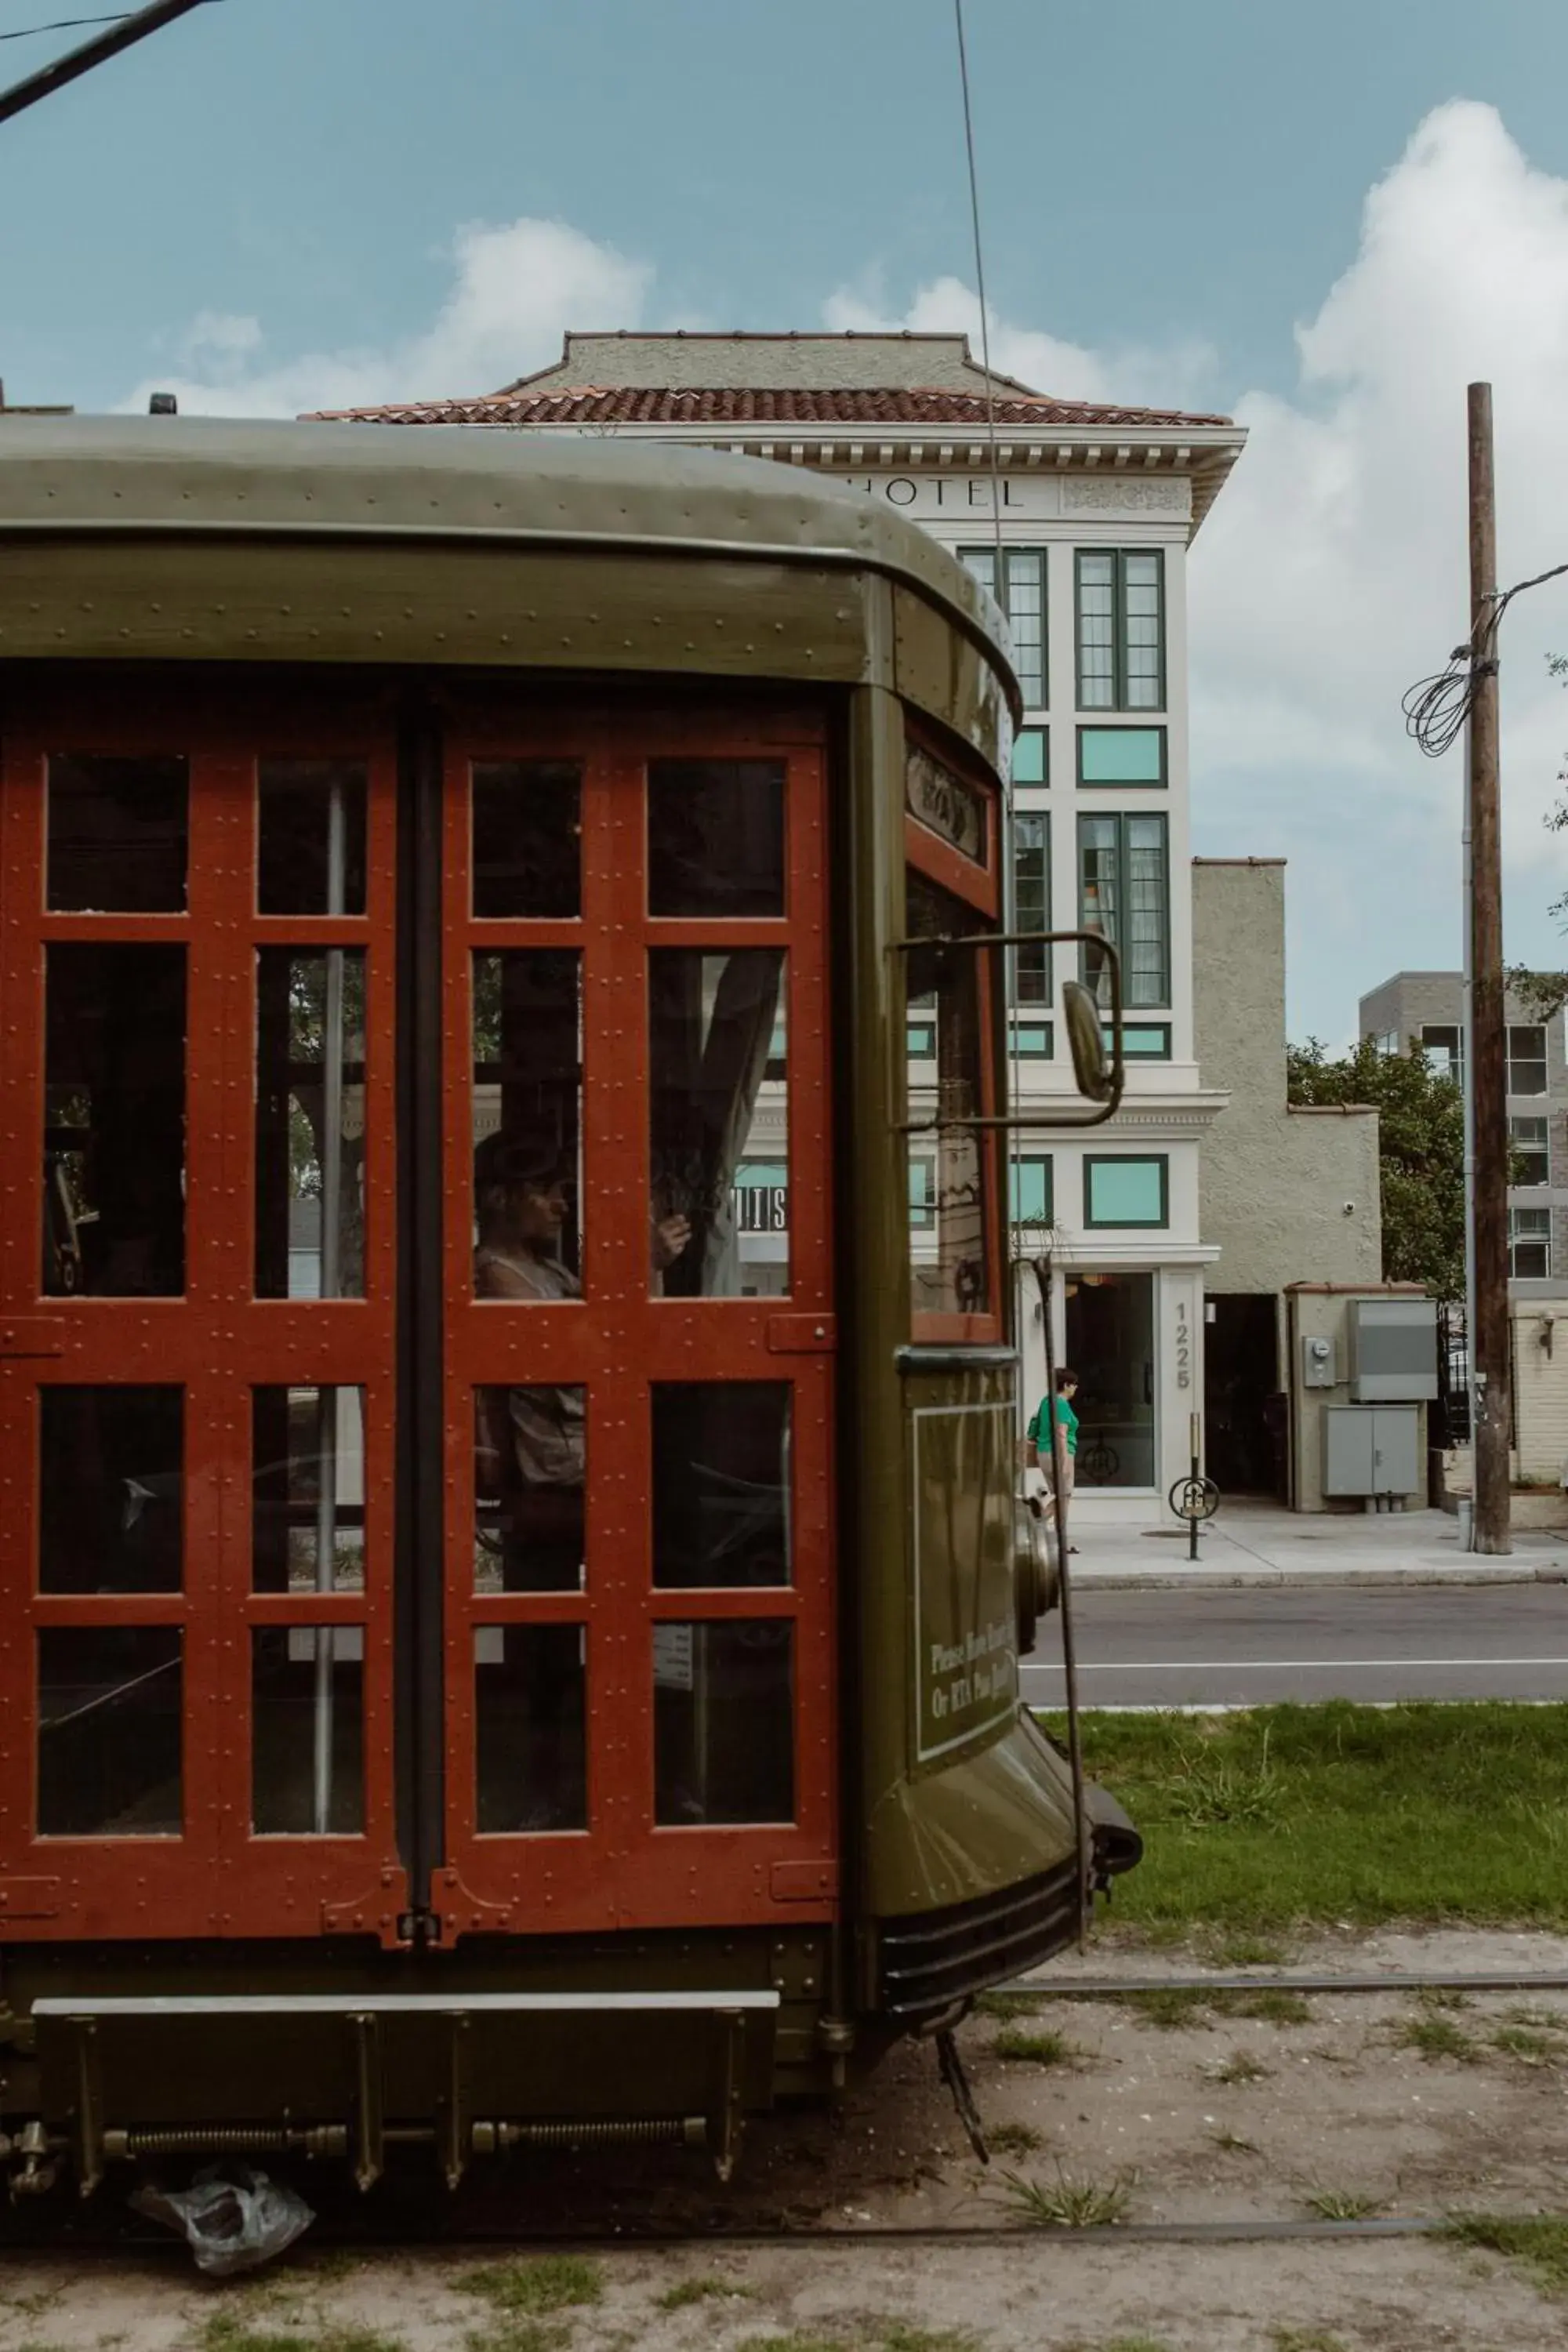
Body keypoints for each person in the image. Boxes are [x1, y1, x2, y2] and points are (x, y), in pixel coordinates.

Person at [1027, 1367, 1080, 1552]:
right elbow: (1061, 1433)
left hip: (1044, 1453)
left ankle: (1037, 1524)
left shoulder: (1045, 1401)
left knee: (1060, 1496)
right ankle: (1036, 1524)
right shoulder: (1062, 1404)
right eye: (1074, 1385)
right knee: (1064, 1498)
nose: (1075, 1388)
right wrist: (1064, 1461)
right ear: (1065, 1385)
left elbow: (1033, 1427)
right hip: (1058, 1453)